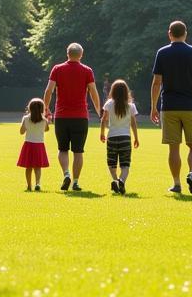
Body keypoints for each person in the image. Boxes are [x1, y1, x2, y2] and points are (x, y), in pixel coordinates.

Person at [150, 20, 192, 194]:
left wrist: (154, 106)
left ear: (169, 33)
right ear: (185, 33)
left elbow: (156, 83)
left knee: (174, 147)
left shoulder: (162, 53)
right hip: (191, 106)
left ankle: (177, 184)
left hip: (169, 106)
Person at [43, 42, 100, 191]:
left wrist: (46, 108)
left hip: (61, 116)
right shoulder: (87, 70)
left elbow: (49, 90)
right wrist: (99, 110)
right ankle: (75, 182)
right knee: (78, 151)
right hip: (81, 116)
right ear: (81, 54)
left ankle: (66, 174)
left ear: (67, 54)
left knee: (62, 149)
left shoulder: (57, 69)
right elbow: (93, 91)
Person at [100, 79, 139, 194]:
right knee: (125, 164)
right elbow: (133, 123)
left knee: (112, 163)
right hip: (125, 138)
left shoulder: (108, 104)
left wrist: (102, 133)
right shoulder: (131, 106)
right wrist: (136, 137)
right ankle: (121, 180)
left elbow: (103, 120)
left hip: (112, 137)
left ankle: (115, 180)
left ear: (113, 91)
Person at [17, 98, 51, 191]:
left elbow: (21, 132)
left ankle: (29, 186)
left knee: (28, 167)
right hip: (39, 145)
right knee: (38, 167)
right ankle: (38, 183)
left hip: (28, 145)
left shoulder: (26, 118)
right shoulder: (44, 120)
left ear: (30, 108)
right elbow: (47, 129)